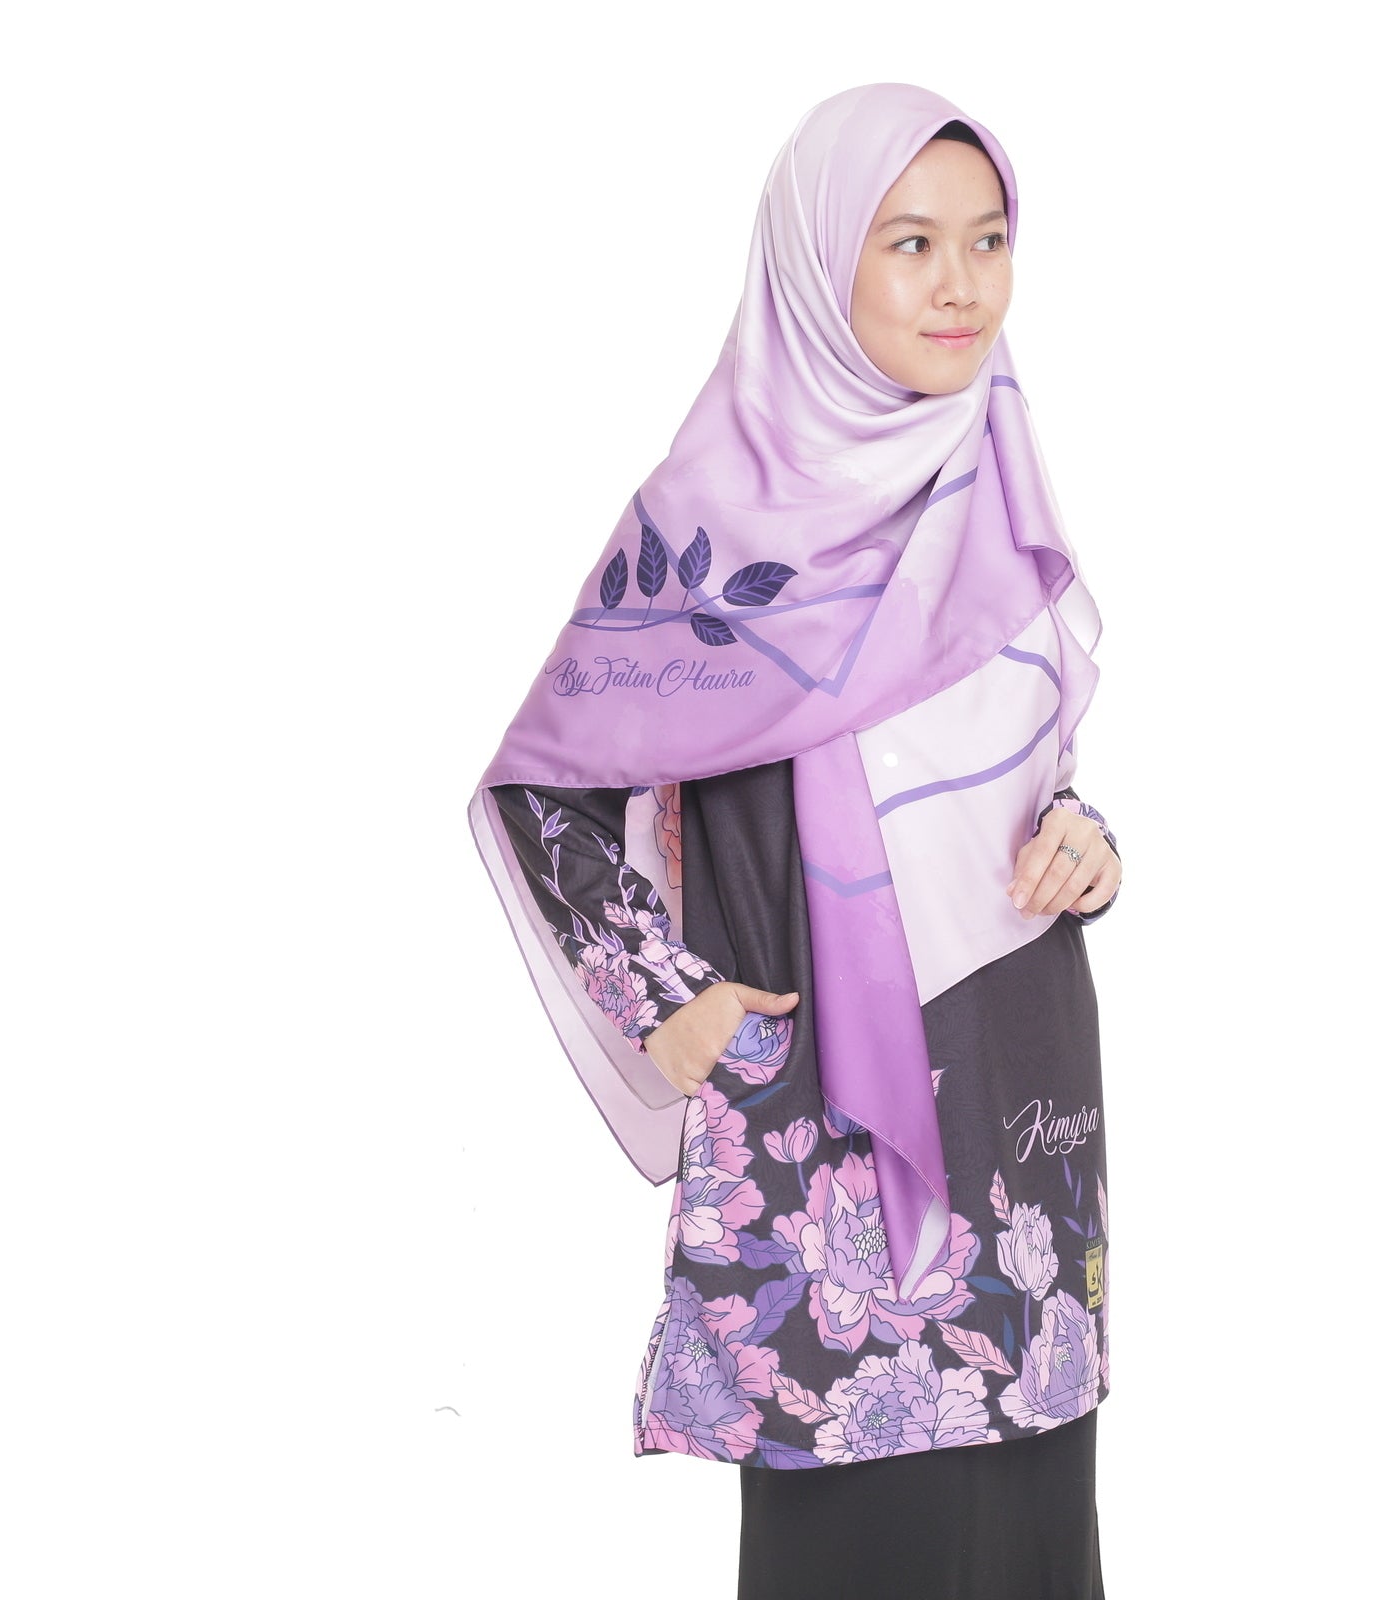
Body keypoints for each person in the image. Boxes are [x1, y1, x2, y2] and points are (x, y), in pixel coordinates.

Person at [465, 83, 1121, 1599]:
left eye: (989, 240)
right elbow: (544, 783)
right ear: (820, 266)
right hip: (821, 1116)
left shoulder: (992, 490)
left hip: (1019, 1091)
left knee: (1029, 1537)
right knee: (865, 1537)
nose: (961, 285)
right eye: (910, 243)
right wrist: (662, 997)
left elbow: (1021, 781)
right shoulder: (709, 534)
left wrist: (1084, 841)